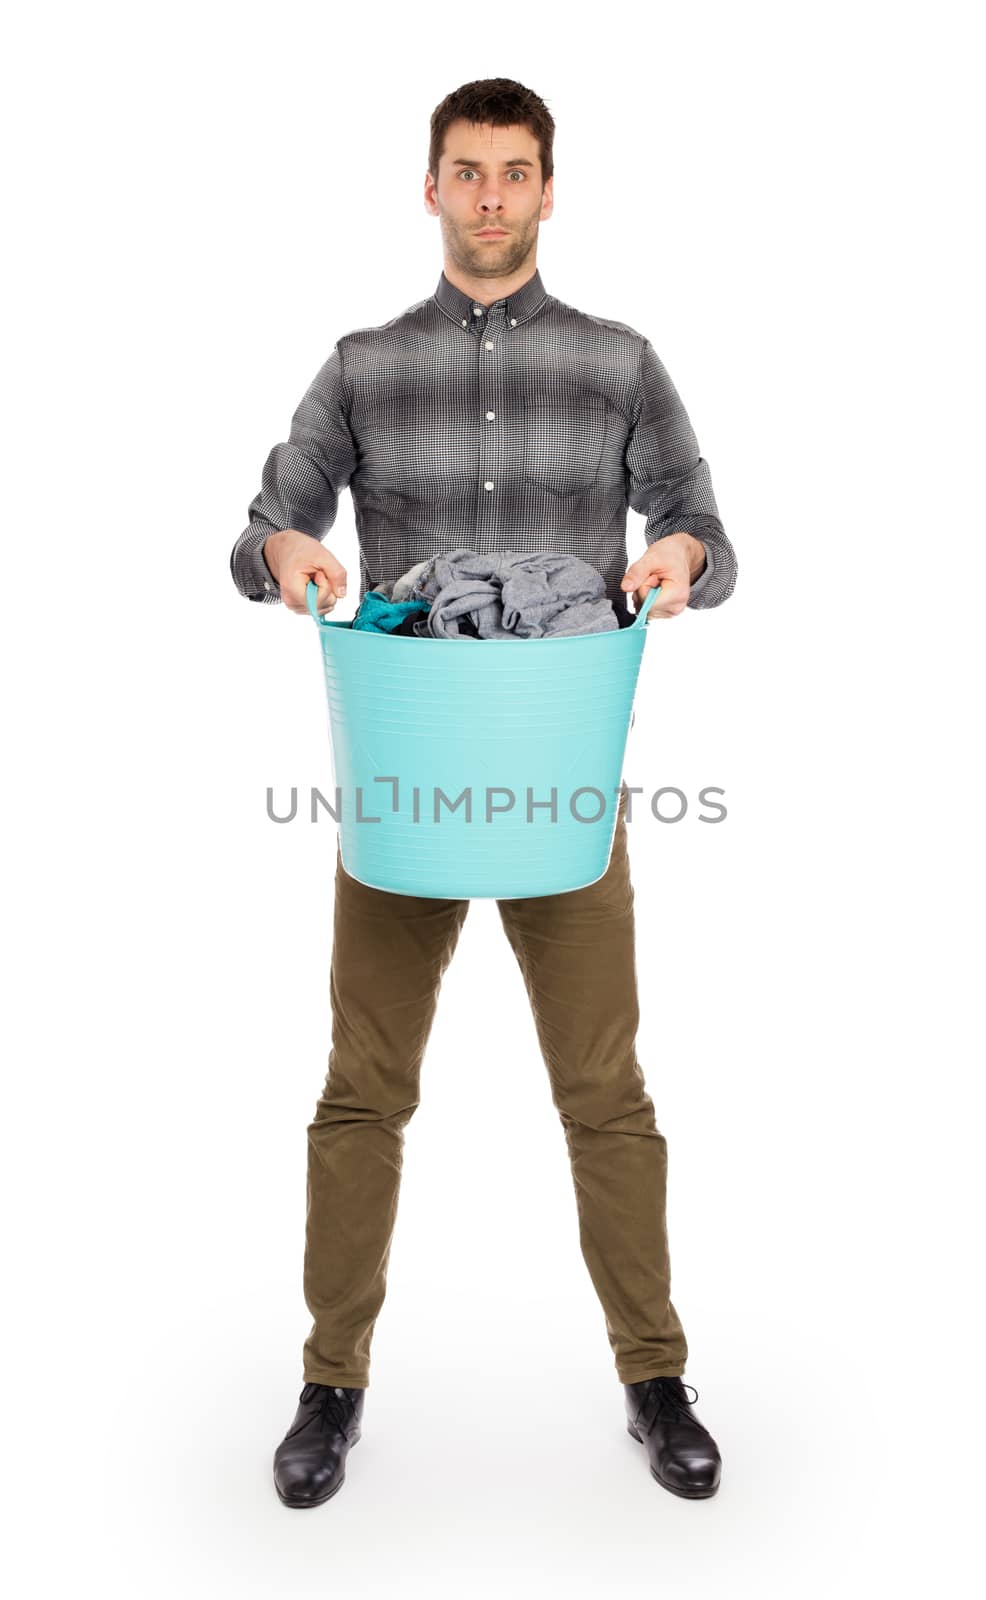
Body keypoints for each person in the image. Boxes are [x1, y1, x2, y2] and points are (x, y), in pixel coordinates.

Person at [231, 78, 737, 1508]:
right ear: (432, 188)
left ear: (549, 189)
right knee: (362, 1090)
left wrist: (679, 561)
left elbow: (703, 520)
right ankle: (331, 1383)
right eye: (469, 172)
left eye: (517, 172)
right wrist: (283, 558)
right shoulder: (364, 364)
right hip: (408, 772)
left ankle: (653, 1374)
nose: (493, 195)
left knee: (604, 1092)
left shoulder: (617, 364)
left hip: (558, 781)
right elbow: (270, 521)